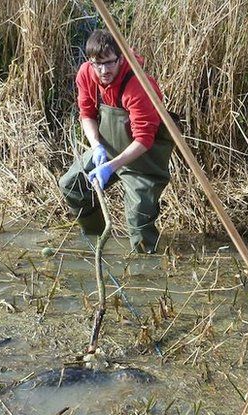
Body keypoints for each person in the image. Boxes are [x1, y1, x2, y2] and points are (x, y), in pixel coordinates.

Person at [58, 29, 175, 254]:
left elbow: (143, 139)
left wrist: (111, 167)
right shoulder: (86, 74)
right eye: (97, 64)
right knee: (72, 185)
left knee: (139, 217)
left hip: (142, 161)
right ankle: (96, 242)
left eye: (109, 63)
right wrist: (97, 146)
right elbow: (87, 114)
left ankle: (146, 266)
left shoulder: (139, 85)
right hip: (107, 150)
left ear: (120, 58)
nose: (103, 71)